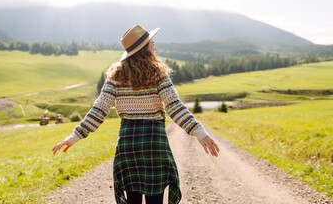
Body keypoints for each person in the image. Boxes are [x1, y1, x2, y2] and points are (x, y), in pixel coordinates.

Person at [52, 24, 220, 204]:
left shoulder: (115, 76)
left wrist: (74, 137)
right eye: (151, 43)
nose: (155, 46)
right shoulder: (158, 73)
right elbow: (174, 106)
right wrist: (199, 133)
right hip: (154, 144)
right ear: (144, 49)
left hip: (128, 145)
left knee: (132, 200)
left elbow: (99, 110)